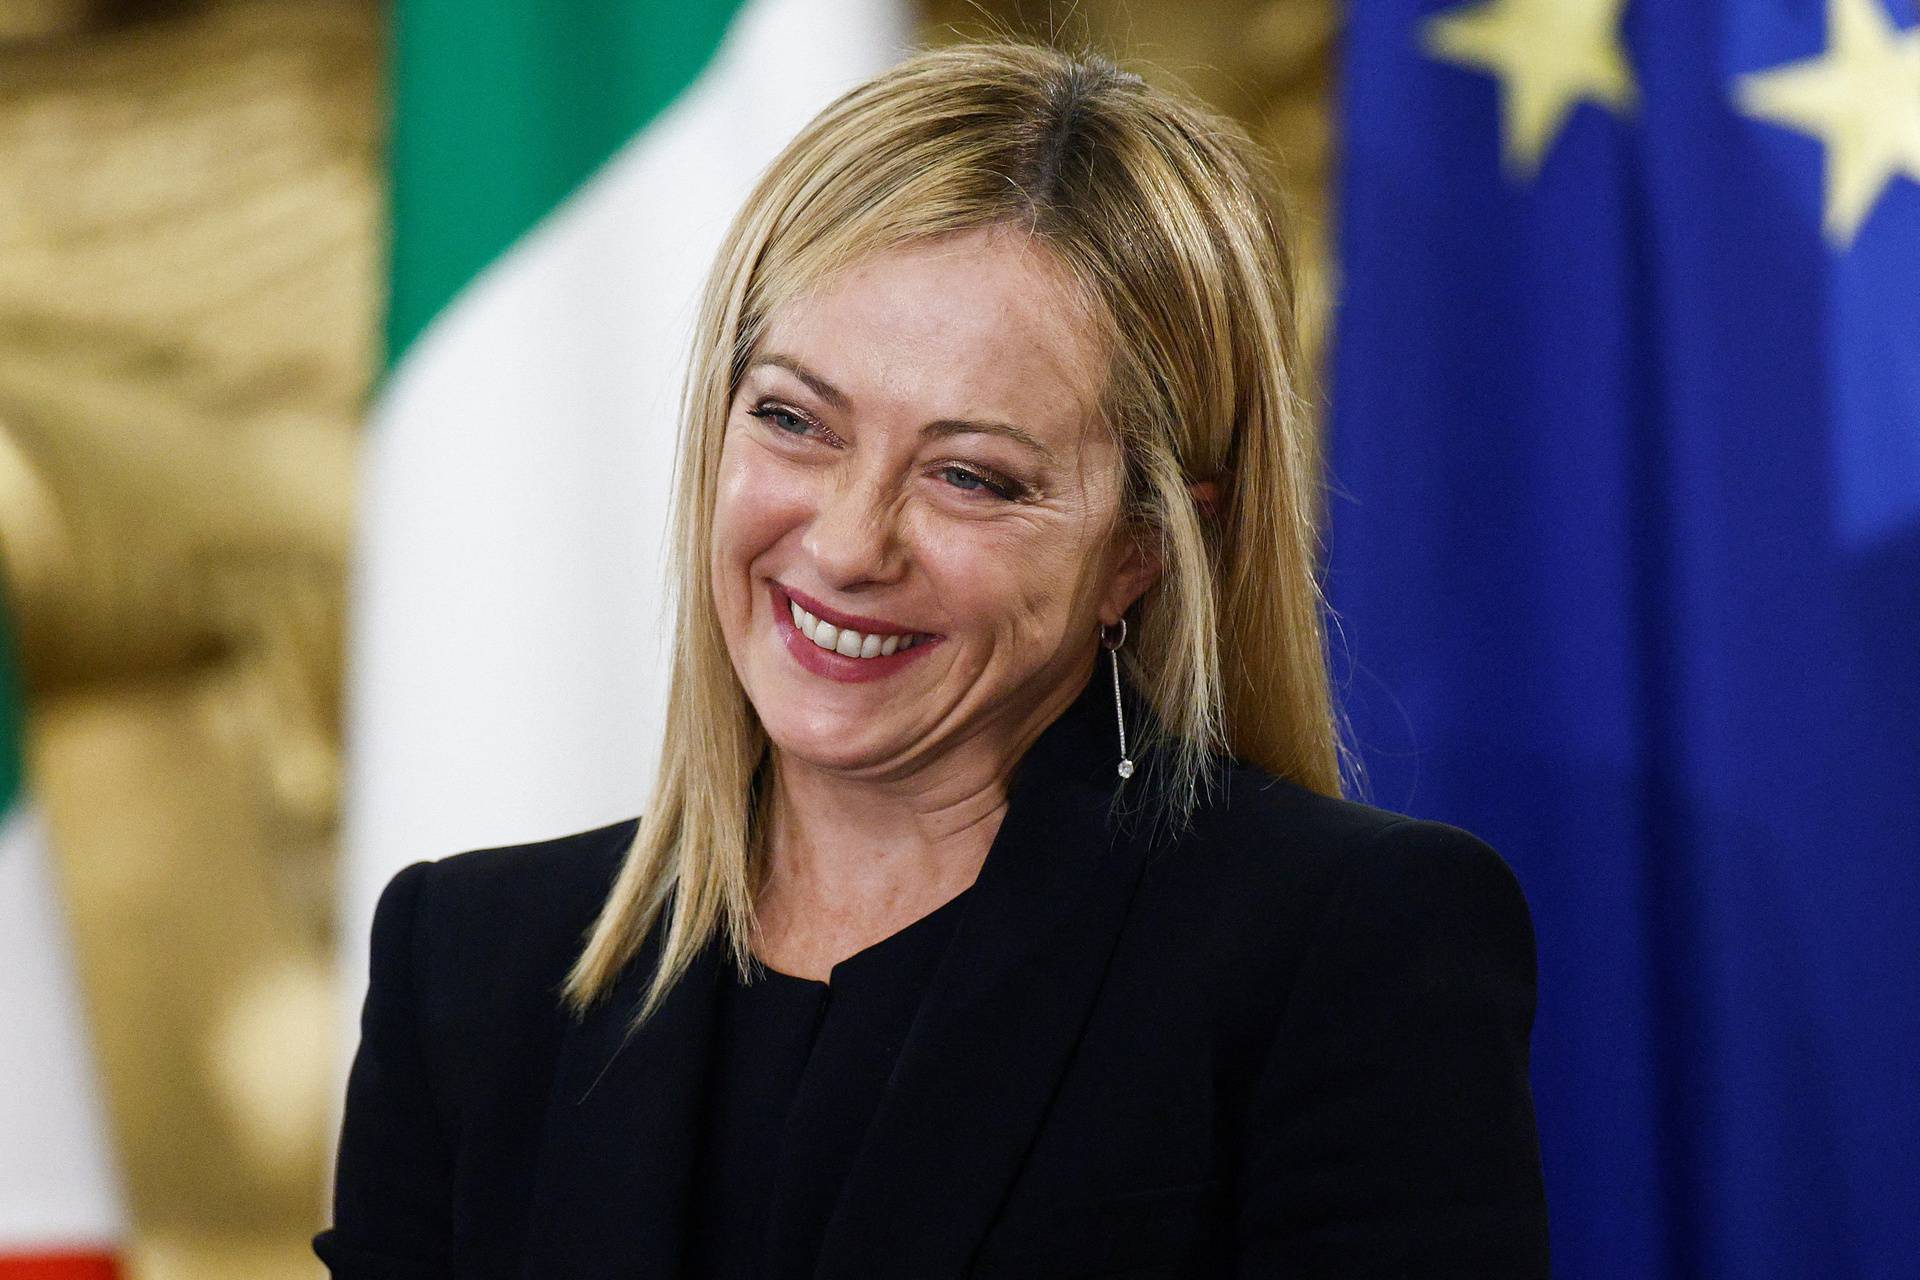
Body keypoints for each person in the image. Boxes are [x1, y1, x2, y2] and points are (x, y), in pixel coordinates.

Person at [313, 38, 1549, 1280]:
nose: (849, 545)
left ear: (1149, 548)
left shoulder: (1345, 947)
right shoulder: (471, 962)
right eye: (794, 419)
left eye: (972, 475)